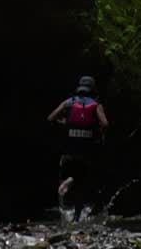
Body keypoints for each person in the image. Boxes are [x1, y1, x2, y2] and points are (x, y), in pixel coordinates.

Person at [47, 75, 109, 222]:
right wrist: (99, 132)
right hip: (87, 151)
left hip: (69, 149)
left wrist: (64, 123)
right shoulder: (96, 104)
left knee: (69, 173)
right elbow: (105, 124)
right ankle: (76, 218)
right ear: (92, 89)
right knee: (82, 183)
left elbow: (50, 118)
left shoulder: (69, 102)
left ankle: (67, 181)